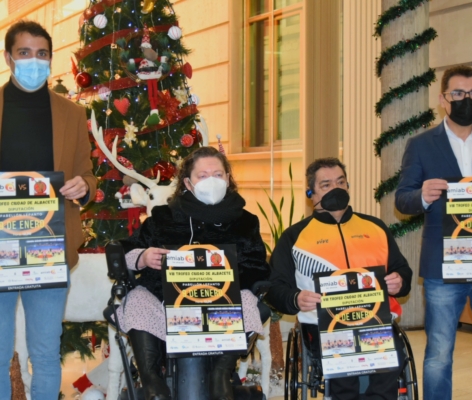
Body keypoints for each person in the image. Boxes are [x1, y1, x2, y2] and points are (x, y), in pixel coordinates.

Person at [116, 146, 270, 400]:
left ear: (228, 179)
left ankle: (221, 374)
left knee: (247, 299)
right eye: (203, 175)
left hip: (222, 301)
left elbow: (258, 266)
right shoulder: (162, 217)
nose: (212, 180)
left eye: (218, 174)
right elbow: (126, 250)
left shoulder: (245, 221)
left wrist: (226, 273)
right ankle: (153, 383)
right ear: (187, 182)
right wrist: (143, 257)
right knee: (137, 299)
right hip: (166, 301)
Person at [0, 21, 96, 400]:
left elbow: (87, 174)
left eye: (42, 54)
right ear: (9, 57)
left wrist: (84, 186)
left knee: (44, 352)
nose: (34, 62)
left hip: (49, 247)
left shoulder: (71, 114)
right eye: (24, 53)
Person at [266, 157, 412, 400]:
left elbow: (402, 270)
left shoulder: (375, 227)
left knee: (390, 363)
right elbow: (274, 286)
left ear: (348, 186)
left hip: (376, 322)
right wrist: (295, 298)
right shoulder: (295, 236)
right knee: (343, 369)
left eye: (340, 182)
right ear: (311, 194)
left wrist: (399, 280)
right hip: (325, 326)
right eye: (326, 184)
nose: (336, 189)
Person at [395, 65, 472, 400]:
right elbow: (403, 199)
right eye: (458, 93)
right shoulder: (421, 145)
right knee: (439, 354)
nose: (466, 99)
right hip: (443, 269)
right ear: (443, 99)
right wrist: (423, 195)